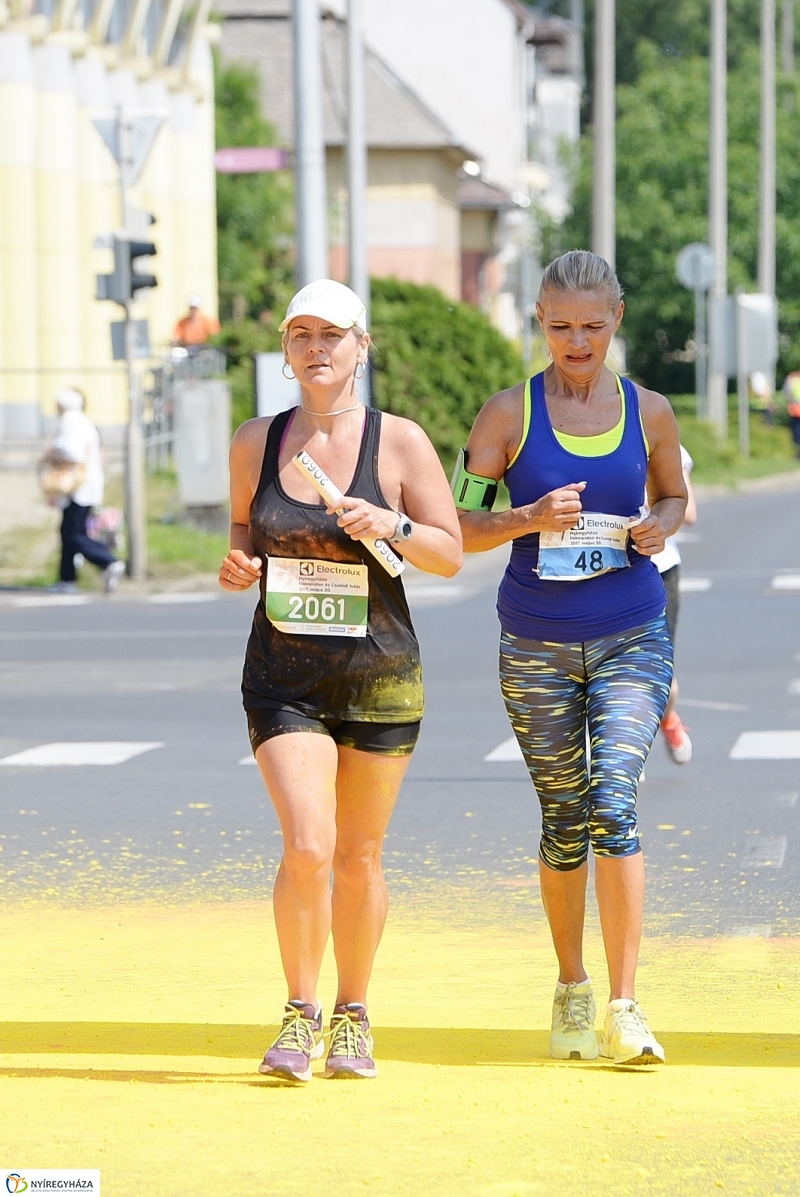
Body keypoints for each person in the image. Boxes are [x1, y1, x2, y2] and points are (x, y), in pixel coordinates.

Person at [219, 279, 462, 1083]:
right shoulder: (257, 440)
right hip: (283, 678)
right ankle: (300, 1007)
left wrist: (391, 522)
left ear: (363, 346)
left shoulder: (399, 443)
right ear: (286, 351)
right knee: (308, 844)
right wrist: (237, 565)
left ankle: (353, 1013)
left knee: (359, 854)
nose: (316, 347)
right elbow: (243, 536)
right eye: (300, 334)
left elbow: (447, 552)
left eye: (332, 333)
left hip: (380, 678)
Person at [455, 250, 687, 1066]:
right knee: (563, 818)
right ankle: (571, 983)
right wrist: (528, 515)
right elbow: (458, 525)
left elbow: (672, 494)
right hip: (536, 644)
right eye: (560, 327)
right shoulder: (505, 416)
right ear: (539, 323)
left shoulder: (650, 410)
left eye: (592, 326)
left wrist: (661, 522)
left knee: (613, 801)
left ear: (616, 318)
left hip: (631, 630)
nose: (577, 342)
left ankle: (625, 1005)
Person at [48, 389, 125, 595]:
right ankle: (67, 579)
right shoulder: (84, 421)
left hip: (75, 487)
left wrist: (51, 454)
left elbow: (71, 452)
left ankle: (108, 561)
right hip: (88, 484)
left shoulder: (69, 422)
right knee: (69, 531)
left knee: (73, 534)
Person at [653, 445, 697, 764]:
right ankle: (624, 758)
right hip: (607, 571)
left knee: (660, 676)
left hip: (659, 568)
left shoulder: (661, 435)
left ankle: (668, 719)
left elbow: (689, 512)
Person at [782, 369, 800, 458]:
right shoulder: (793, 379)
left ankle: (797, 451)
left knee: (797, 432)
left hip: (796, 410)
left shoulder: (792, 380)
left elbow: (786, 393)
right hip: (796, 410)